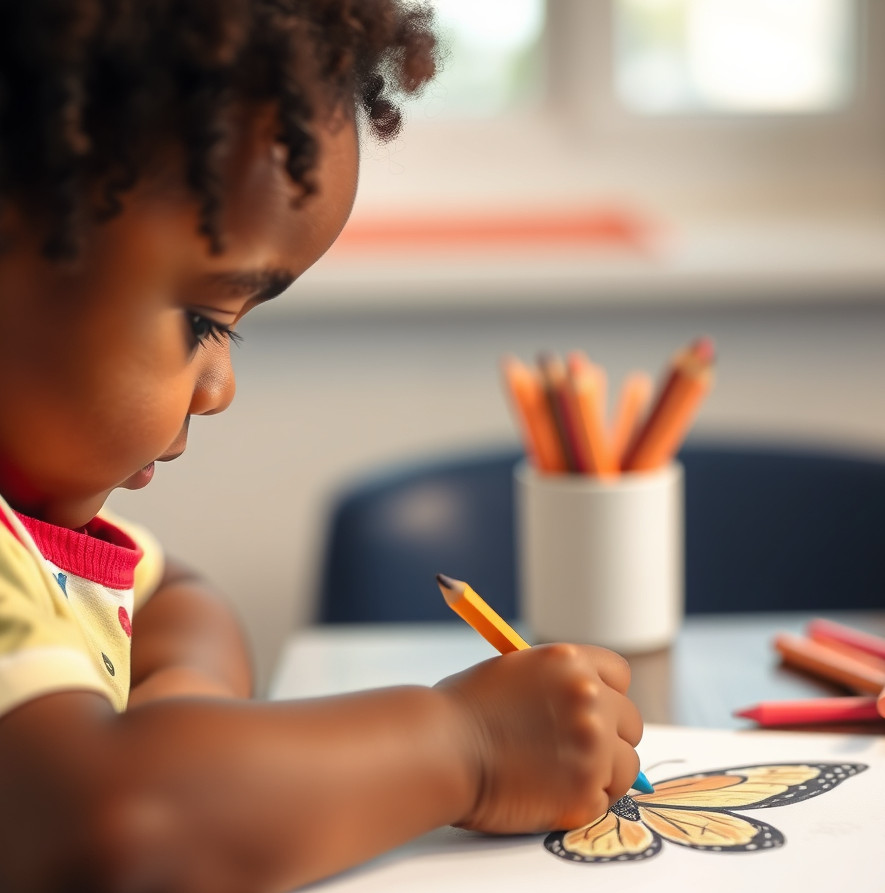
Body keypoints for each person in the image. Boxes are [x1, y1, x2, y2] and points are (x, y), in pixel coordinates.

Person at [0, 2, 645, 891]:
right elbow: (109, 822)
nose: (220, 389)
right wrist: (469, 746)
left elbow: (179, 596)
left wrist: (180, 718)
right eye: (201, 320)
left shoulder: (34, 539)